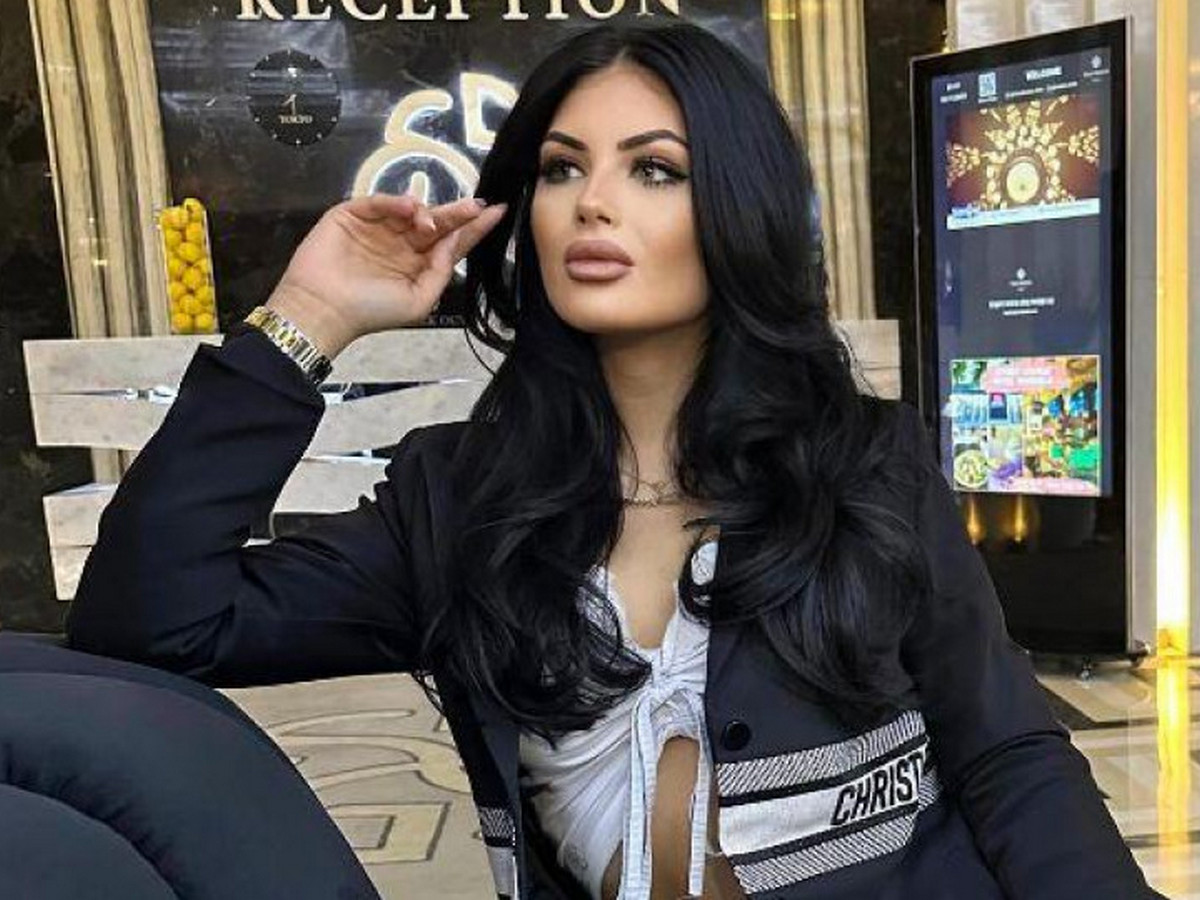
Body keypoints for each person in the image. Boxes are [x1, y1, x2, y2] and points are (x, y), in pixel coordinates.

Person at [66, 20, 1160, 900]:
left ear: (736, 206)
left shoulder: (866, 465)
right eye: (561, 168)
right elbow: (153, 623)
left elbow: (1007, 756)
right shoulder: (459, 501)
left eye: (655, 170)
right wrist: (309, 315)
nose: (593, 202)